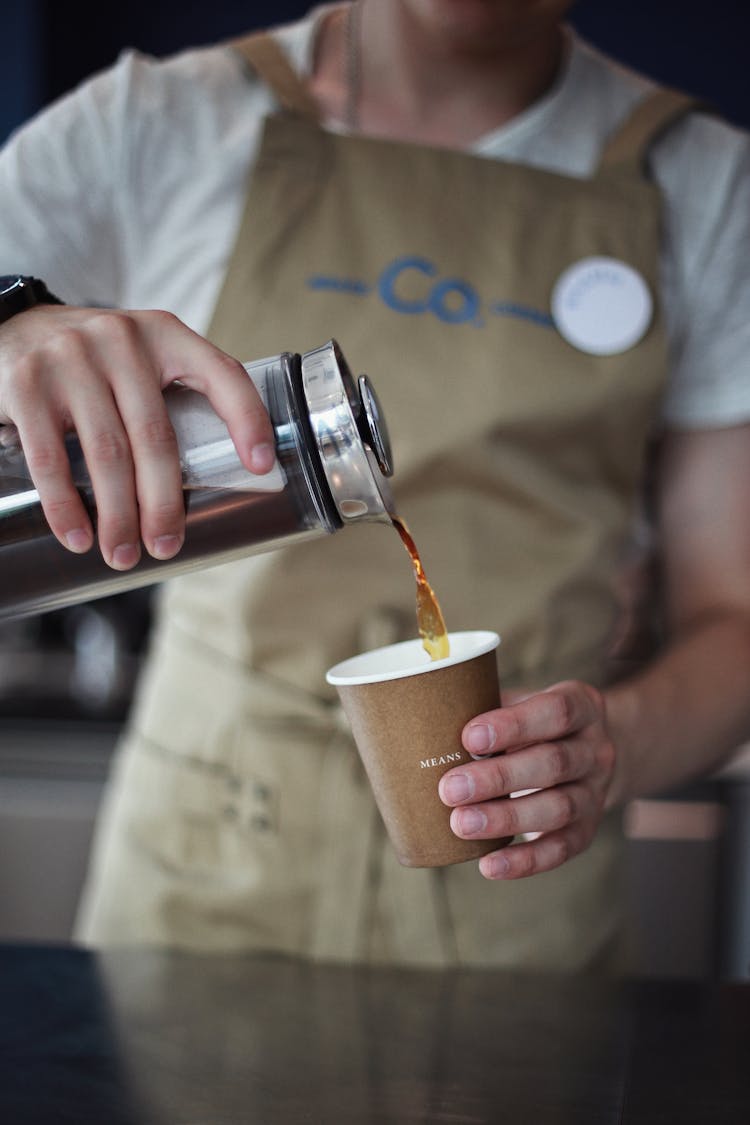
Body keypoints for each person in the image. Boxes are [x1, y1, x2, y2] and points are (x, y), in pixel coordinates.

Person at [1, 0, 749, 972]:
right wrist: (12, 322)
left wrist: (614, 747)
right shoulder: (155, 122)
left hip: (520, 910)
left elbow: (732, 611)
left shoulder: (704, 182)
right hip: (200, 887)